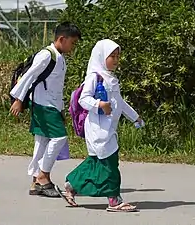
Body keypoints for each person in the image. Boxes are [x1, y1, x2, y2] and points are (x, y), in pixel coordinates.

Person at [55, 39, 143, 212]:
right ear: (101, 56)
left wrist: (135, 117)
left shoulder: (111, 78)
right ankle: (114, 201)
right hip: (98, 130)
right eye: (112, 56)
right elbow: (83, 99)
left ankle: (71, 185)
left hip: (107, 129)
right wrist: (100, 105)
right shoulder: (94, 77)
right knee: (110, 165)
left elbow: (120, 102)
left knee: (95, 163)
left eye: (118, 56)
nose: (116, 60)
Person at [10, 22, 82, 197]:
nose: (73, 47)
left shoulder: (60, 57)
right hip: (44, 106)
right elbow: (28, 77)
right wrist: (19, 99)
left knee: (41, 141)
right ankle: (43, 177)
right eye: (72, 42)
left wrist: (62, 109)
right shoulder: (46, 55)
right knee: (60, 138)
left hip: (52, 106)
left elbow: (56, 87)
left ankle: (35, 181)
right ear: (61, 39)